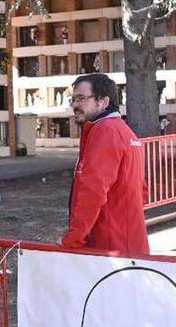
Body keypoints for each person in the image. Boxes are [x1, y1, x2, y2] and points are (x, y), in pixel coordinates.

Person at [62, 73, 149, 254]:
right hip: (127, 240)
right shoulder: (124, 131)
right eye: (73, 99)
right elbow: (142, 191)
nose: (75, 105)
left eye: (81, 99)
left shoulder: (105, 132)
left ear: (103, 101)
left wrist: (73, 239)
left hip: (109, 246)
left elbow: (92, 192)